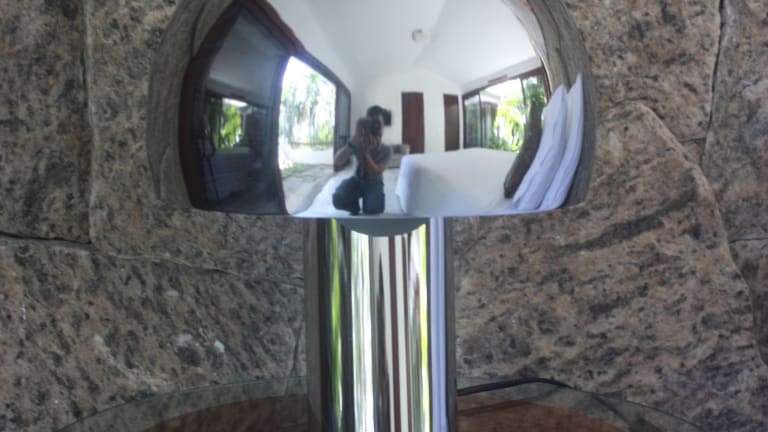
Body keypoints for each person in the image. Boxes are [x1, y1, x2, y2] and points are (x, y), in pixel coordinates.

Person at [332, 117, 391, 215]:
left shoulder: (386, 149)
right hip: (356, 179)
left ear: (383, 128)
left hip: (374, 181)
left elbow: (376, 172)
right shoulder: (357, 143)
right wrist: (355, 138)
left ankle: (368, 202)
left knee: (374, 210)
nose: (375, 129)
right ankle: (354, 207)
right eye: (372, 124)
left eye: (378, 125)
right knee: (338, 198)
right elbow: (337, 162)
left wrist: (366, 153)